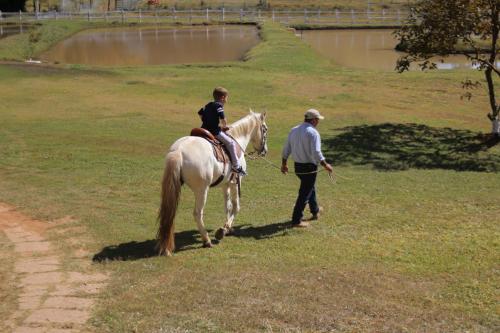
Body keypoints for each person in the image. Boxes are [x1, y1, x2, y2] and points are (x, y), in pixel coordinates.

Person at [281, 109, 333, 228]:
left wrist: (284, 164)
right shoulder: (313, 133)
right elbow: (316, 152)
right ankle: (296, 220)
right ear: (313, 120)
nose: (318, 122)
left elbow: (286, 149)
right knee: (305, 192)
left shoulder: (294, 130)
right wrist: (326, 165)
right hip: (309, 168)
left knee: (309, 187)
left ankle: (315, 210)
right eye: (318, 120)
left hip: (298, 167)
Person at [198, 87, 246, 176]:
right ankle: (236, 166)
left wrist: (205, 120)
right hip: (214, 131)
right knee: (231, 143)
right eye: (227, 97)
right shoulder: (219, 106)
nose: (227, 99)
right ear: (223, 97)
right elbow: (223, 118)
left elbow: (200, 113)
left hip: (203, 129)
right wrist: (225, 126)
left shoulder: (208, 104)